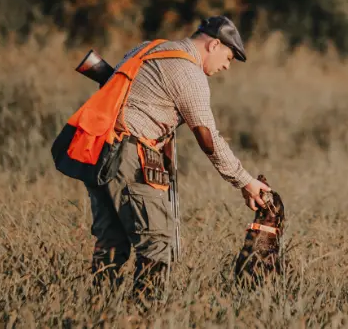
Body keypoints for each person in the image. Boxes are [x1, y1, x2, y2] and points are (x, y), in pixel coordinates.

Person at [86, 15, 271, 300]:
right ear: (214, 45)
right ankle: (144, 317)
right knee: (158, 246)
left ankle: (95, 312)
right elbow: (207, 138)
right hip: (131, 157)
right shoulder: (188, 72)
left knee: (111, 244)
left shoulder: (148, 47)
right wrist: (245, 181)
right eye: (229, 57)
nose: (226, 66)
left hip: (101, 152)